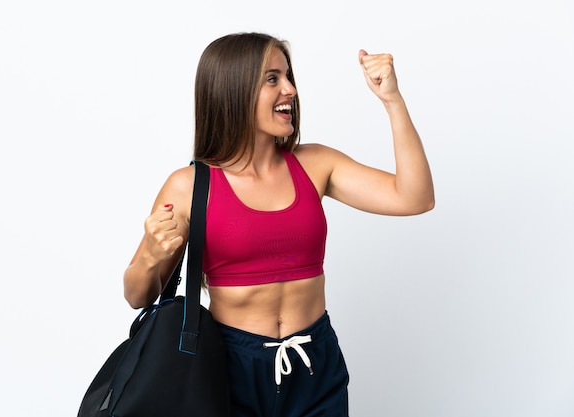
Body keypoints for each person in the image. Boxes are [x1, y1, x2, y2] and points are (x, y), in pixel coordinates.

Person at [123, 32, 434, 416]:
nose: (290, 89)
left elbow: (416, 198)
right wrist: (152, 255)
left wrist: (392, 101)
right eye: (272, 79)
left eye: (288, 76)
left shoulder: (316, 164)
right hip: (230, 368)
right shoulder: (188, 186)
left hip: (314, 363)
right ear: (233, 90)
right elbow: (138, 296)